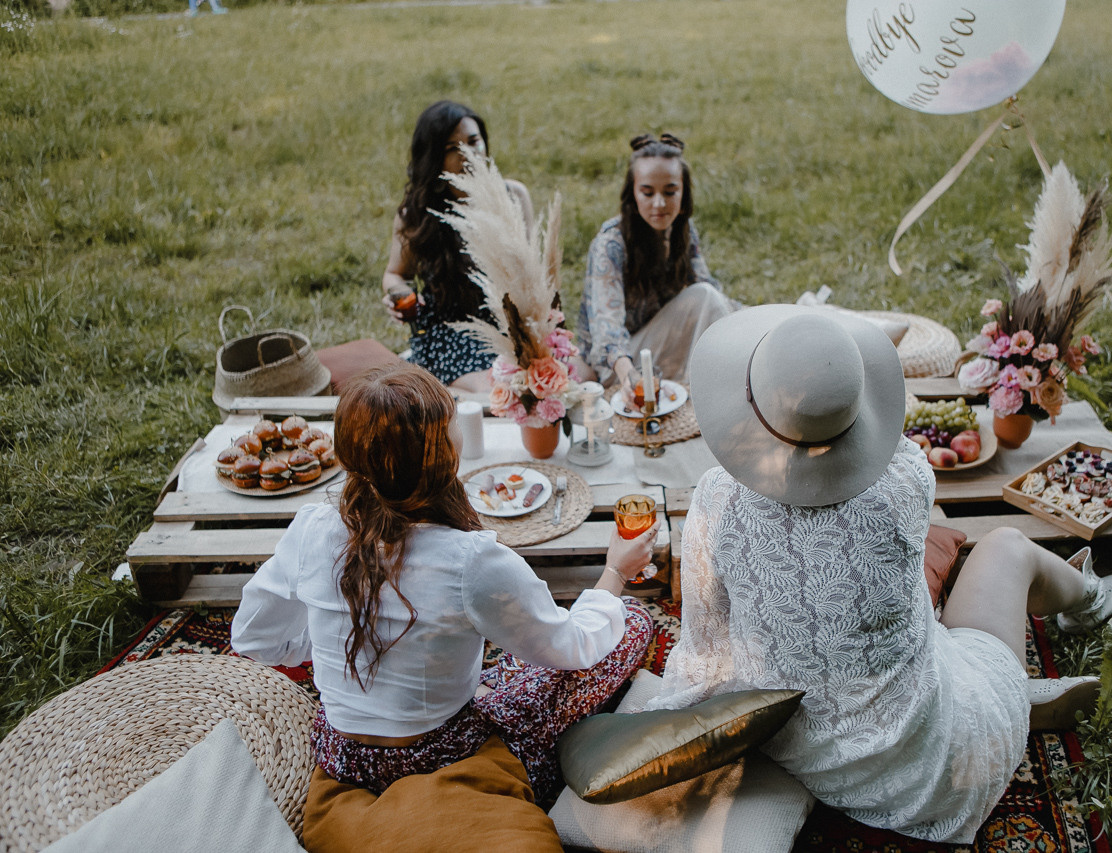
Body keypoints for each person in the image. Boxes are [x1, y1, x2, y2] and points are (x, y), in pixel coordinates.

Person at [646, 305, 1112, 845]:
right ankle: (1086, 600)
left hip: (825, 767)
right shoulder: (905, 479)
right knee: (1006, 546)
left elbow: (704, 652)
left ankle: (1023, 680)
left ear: (747, 398)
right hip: (946, 763)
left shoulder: (715, 502)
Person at [230, 362, 655, 808]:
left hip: (342, 756)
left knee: (500, 651)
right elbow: (574, 649)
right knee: (631, 623)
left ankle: (477, 686)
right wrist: (616, 572)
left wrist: (342, 639)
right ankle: (533, 763)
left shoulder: (312, 527)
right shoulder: (473, 561)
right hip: (441, 756)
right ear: (444, 455)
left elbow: (252, 637)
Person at [382, 101, 535, 393]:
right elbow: (394, 274)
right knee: (497, 392)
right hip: (450, 331)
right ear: (434, 158)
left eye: (474, 141)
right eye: (452, 148)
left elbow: (534, 274)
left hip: (510, 325)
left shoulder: (514, 196)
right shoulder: (418, 214)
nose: (468, 153)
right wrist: (399, 295)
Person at [577, 133, 736, 389]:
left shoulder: (682, 230)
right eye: (647, 193)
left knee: (709, 299)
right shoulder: (611, 244)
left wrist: (760, 317)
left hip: (656, 341)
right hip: (616, 365)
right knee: (705, 299)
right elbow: (607, 331)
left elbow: (710, 291)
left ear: (683, 194)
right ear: (633, 194)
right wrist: (630, 376)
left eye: (670, 192)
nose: (659, 204)